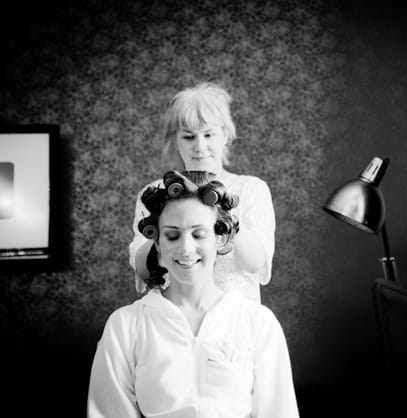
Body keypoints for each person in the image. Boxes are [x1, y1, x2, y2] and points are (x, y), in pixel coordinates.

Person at [89, 171, 298, 418]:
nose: (186, 249)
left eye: (199, 234)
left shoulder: (258, 323)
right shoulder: (125, 325)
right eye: (172, 235)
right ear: (157, 243)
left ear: (220, 238)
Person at [129, 82, 275, 302]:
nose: (199, 146)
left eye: (208, 135)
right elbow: (143, 270)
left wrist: (220, 208)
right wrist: (164, 223)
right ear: (176, 139)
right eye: (188, 136)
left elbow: (254, 264)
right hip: (172, 320)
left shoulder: (252, 189)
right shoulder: (153, 192)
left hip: (235, 321)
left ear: (225, 135)